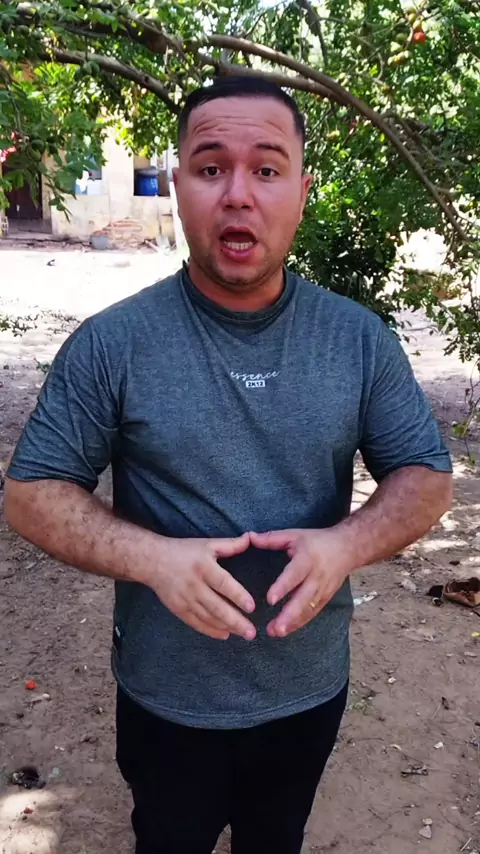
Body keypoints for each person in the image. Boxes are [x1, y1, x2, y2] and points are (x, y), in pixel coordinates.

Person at [4, 75, 453, 854]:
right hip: (167, 696)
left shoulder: (357, 340)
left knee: (276, 839)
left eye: (267, 169)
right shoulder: (113, 344)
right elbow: (31, 493)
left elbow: (427, 476)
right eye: (211, 168)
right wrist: (154, 559)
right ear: (179, 186)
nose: (238, 194)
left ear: (301, 194)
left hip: (308, 685)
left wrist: (344, 544)